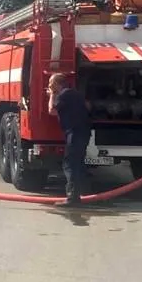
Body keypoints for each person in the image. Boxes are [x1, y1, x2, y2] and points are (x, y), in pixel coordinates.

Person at [48, 72, 91, 206]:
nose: (49, 85)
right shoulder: (75, 94)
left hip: (74, 133)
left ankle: (73, 197)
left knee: (69, 164)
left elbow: (52, 110)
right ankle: (82, 193)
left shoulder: (63, 94)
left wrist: (51, 95)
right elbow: (88, 106)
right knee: (78, 163)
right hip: (83, 132)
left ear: (57, 84)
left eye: (51, 83)